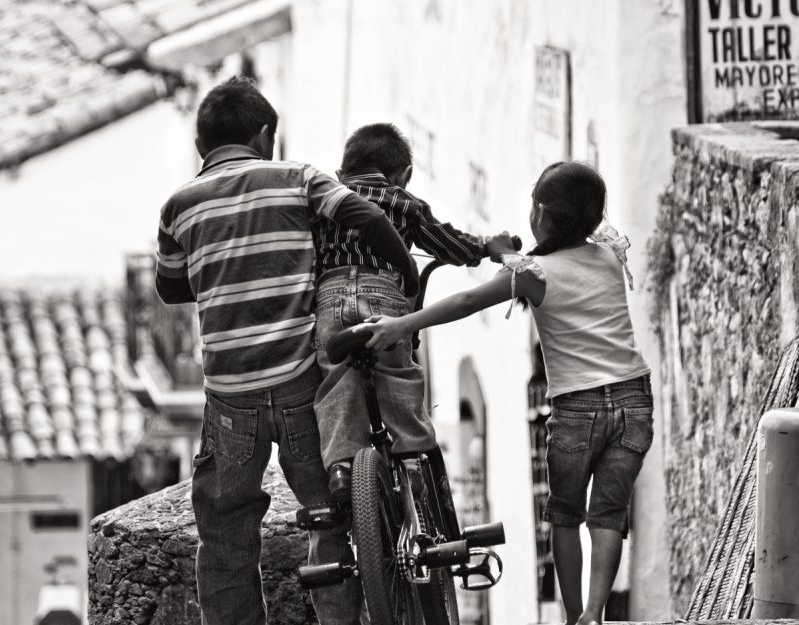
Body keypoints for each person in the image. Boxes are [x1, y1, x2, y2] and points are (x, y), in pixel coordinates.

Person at [155, 77, 418, 625]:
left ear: (201, 145)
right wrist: (406, 271)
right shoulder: (296, 177)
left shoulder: (178, 206)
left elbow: (171, 288)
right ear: (265, 133)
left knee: (225, 535)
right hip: (302, 382)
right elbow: (363, 216)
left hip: (230, 396)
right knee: (328, 520)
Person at [354, 161, 653, 625]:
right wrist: (508, 257)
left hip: (579, 408)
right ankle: (596, 614)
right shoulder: (611, 255)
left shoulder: (535, 274)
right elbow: (562, 260)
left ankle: (575, 617)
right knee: (609, 515)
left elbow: (470, 300)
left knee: (566, 515)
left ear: (541, 214)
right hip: (634, 400)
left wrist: (403, 324)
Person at [311, 122, 515, 501]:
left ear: (342, 172)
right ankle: (410, 457)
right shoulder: (405, 204)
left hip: (331, 297)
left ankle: (341, 466)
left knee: (336, 380)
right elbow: (448, 245)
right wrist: (486, 246)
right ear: (403, 175)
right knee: (398, 374)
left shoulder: (327, 198)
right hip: (382, 294)